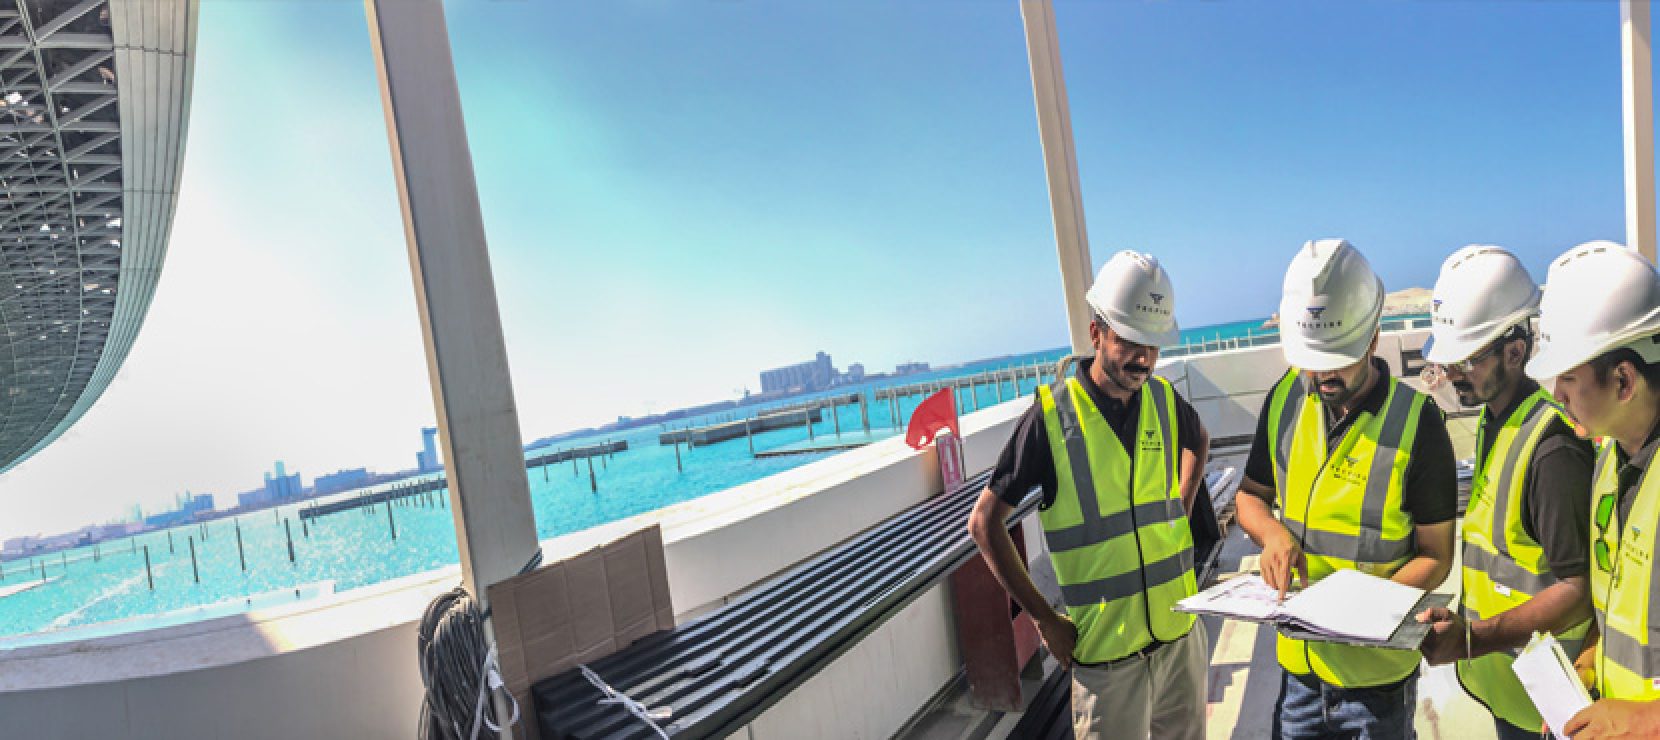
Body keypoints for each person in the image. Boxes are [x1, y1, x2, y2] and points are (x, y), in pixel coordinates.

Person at [967, 250, 1211, 740]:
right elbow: (985, 523)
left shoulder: (1163, 401)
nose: (1144, 358)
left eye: (1153, 345)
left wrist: (1180, 512)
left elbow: (1199, 439)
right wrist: (1043, 619)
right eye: (1130, 341)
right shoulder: (1050, 419)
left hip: (1180, 642)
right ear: (1097, 333)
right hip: (1107, 664)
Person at [1233, 238, 1458, 739]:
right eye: (1314, 359)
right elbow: (1249, 498)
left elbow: (1436, 555)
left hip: (1377, 683)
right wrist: (1272, 535)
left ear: (1374, 337)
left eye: (1338, 359)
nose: (1322, 374)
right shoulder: (1285, 399)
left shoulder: (1419, 424)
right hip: (1298, 672)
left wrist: (1363, 609)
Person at [1410, 246, 1595, 740]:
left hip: (1548, 708)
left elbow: (1576, 595)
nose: (1450, 375)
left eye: (1466, 360)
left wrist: (1473, 638)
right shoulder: (1497, 421)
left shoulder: (1552, 448)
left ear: (1516, 351)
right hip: (1509, 691)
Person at [1522, 242, 1660, 739]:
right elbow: (1621, 606)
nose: (1555, 394)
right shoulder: (1610, 459)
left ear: (1624, 380)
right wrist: (1589, 663)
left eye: (1569, 376)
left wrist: (1645, 721)